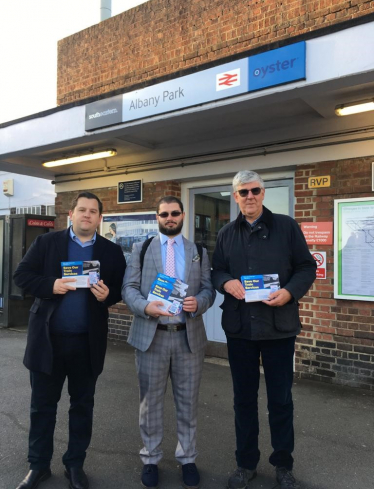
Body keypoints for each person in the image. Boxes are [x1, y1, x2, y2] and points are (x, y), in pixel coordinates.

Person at [13, 192, 126, 489]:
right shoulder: (47, 243)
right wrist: (51, 284)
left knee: (82, 407)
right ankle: (38, 466)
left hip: (86, 343)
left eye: (92, 211)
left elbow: (119, 288)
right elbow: (21, 276)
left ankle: (74, 464)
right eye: (82, 210)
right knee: (42, 407)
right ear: (71, 215)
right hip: (48, 342)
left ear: (100, 218)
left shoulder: (111, 252)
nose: (87, 215)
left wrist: (108, 295)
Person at [211, 171, 316, 489]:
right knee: (243, 400)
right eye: (243, 192)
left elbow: (306, 267)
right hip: (240, 329)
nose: (250, 196)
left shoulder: (286, 227)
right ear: (235, 197)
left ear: (263, 193)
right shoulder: (226, 233)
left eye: (255, 190)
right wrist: (226, 282)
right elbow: (217, 270)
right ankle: (246, 463)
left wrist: (289, 292)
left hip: (278, 328)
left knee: (280, 400)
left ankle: (283, 464)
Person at [122, 196, 215, 489]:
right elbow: (129, 288)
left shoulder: (198, 251)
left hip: (187, 337)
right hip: (153, 336)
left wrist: (198, 302)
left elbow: (210, 290)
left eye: (175, 213)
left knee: (187, 403)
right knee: (150, 403)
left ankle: (187, 457)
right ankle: (150, 458)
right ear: (157, 216)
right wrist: (145, 307)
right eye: (165, 214)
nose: (170, 218)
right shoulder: (142, 248)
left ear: (183, 215)